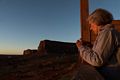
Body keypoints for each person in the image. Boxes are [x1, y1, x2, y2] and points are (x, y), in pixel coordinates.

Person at [76, 8, 120, 80]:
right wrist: (88, 47)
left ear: (97, 22)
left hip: (113, 71)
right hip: (111, 70)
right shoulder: (106, 33)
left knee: (82, 72)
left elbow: (97, 60)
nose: (90, 28)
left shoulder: (108, 32)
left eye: (91, 24)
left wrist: (80, 47)